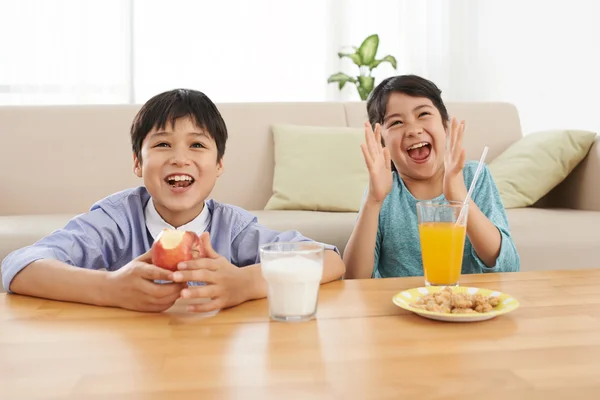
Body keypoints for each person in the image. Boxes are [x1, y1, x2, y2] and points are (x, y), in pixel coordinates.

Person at [1, 88, 345, 312]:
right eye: (163, 144)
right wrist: (110, 288)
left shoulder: (234, 228)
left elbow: (328, 259)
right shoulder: (116, 221)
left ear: (219, 164)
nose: (180, 158)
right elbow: (19, 265)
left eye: (197, 145)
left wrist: (244, 282)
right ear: (138, 163)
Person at [343, 75, 520, 279]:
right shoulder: (382, 192)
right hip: (399, 306)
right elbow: (353, 280)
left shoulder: (474, 175)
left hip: (465, 306)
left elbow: (508, 266)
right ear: (381, 141)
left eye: (423, 114)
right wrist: (373, 202)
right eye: (396, 122)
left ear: (445, 125)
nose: (413, 130)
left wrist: (460, 197)